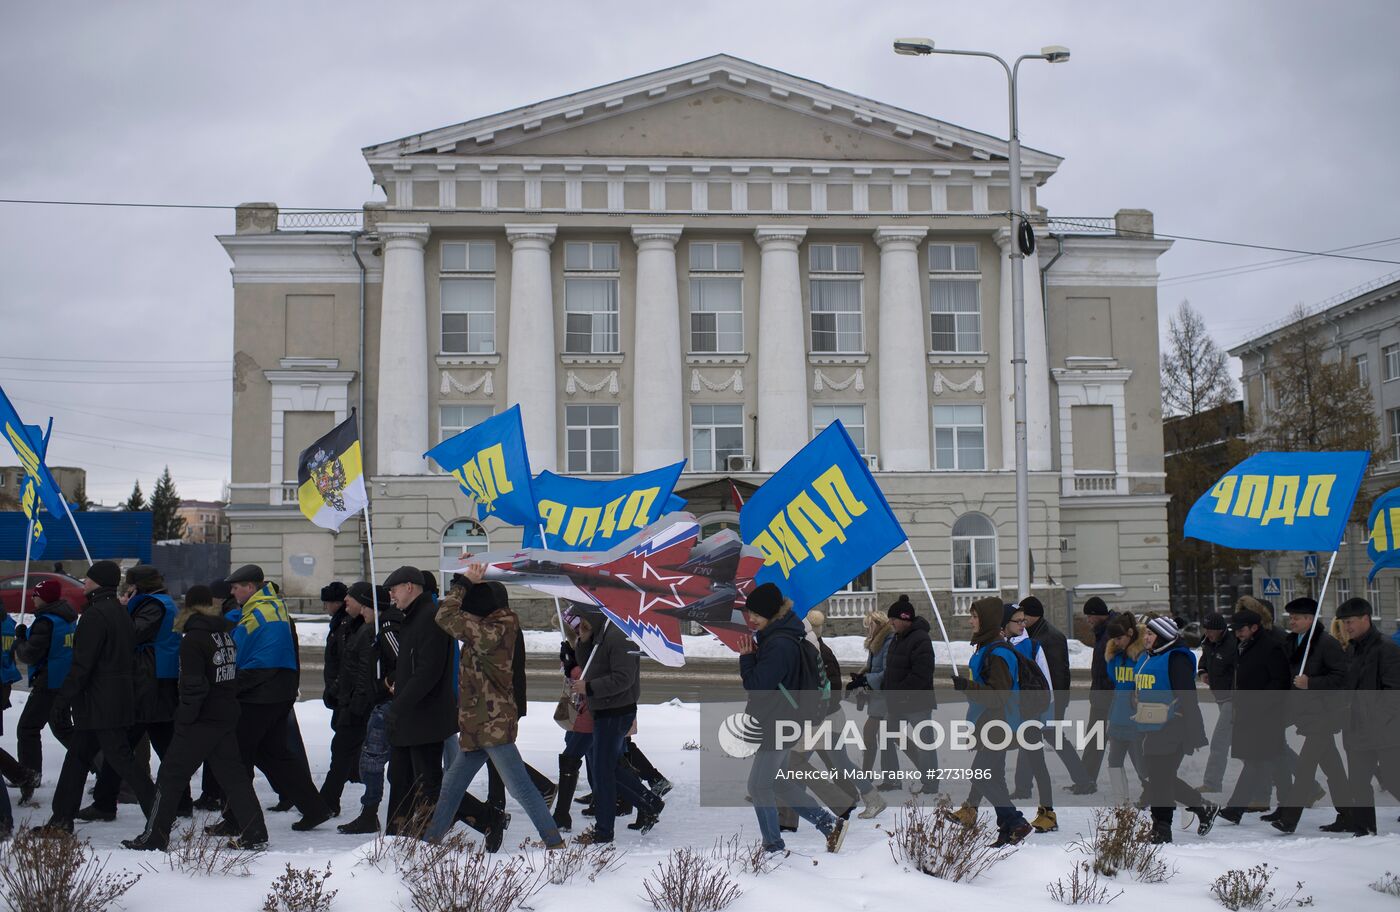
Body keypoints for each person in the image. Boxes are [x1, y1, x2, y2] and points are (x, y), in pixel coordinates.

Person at [424, 565, 564, 849]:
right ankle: (430, 843)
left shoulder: (496, 629)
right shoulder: (488, 625)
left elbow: (445, 615)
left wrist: (463, 584)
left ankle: (554, 842)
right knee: (451, 787)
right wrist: (465, 573)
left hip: (493, 723)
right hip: (478, 725)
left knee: (520, 787)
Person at [122, 586, 268, 851]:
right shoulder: (223, 634)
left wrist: (184, 717)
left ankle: (155, 836)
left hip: (200, 719)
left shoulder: (192, 640)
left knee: (169, 776)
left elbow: (192, 686)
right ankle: (255, 832)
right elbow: (229, 677)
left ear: (188, 608)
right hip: (225, 714)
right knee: (234, 777)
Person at [209, 564, 329, 836]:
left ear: (250, 587)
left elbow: (258, 656)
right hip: (275, 693)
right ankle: (314, 808)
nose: (232, 591)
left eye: (236, 587)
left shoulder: (261, 611)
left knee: (238, 758)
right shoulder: (269, 607)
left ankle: (236, 819)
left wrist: (232, 686)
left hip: (259, 695)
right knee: (275, 754)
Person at [38, 561, 157, 834]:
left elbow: (83, 665)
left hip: (99, 705)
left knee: (125, 764)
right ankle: (61, 820)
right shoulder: (118, 611)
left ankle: (160, 815)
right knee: (77, 760)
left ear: (98, 582)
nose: (84, 581)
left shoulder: (95, 615)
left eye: (88, 578)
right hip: (109, 702)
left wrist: (62, 699)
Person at [738, 582, 849, 855]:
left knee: (759, 785)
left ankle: (773, 845)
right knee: (778, 782)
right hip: (786, 720)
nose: (750, 618)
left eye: (754, 614)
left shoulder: (778, 643)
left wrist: (746, 658)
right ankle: (829, 824)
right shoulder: (781, 634)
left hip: (778, 723)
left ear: (768, 613)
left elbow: (758, 684)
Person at [85, 565, 184, 822]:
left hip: (149, 681)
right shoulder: (162, 601)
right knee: (163, 746)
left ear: (137, 585)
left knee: (122, 745)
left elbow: (132, 634)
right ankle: (181, 802)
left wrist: (120, 610)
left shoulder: (153, 605)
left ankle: (106, 803)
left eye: (129, 584)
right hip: (158, 679)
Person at [571, 604, 666, 845]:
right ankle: (649, 803)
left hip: (617, 711)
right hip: (603, 710)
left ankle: (604, 832)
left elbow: (624, 679)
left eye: (583, 620)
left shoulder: (619, 636)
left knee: (603, 772)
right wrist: (583, 640)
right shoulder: (599, 635)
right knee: (608, 767)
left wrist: (590, 688)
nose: (579, 624)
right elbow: (587, 667)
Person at [950, 596, 1032, 847]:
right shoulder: (987, 647)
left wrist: (967, 686)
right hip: (989, 722)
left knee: (981, 774)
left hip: (999, 723)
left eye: (975, 616)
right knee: (993, 775)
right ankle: (1007, 830)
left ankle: (1016, 821)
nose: (971, 621)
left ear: (986, 620)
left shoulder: (998, 652)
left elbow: (998, 696)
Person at [382, 566, 457, 835]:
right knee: (400, 780)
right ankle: (395, 839)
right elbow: (412, 665)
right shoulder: (412, 616)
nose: (391, 595)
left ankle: (426, 840)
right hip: (408, 718)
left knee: (427, 785)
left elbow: (428, 671)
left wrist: (398, 705)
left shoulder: (429, 617)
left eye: (394, 589)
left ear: (410, 587)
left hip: (426, 718)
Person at [1132, 615, 1215, 843]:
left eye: (1150, 634)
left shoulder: (1176, 658)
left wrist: (1193, 731)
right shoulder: (1148, 657)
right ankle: (1202, 807)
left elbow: (1187, 698)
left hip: (1173, 726)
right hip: (1150, 724)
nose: (1146, 638)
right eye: (1146, 633)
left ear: (1163, 637)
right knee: (1160, 777)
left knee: (1159, 779)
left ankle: (1162, 829)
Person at [1271, 598, 1347, 834]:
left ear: (1310, 619)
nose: (1291, 621)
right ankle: (1350, 813)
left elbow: (1341, 678)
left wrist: (1310, 683)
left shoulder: (1326, 643)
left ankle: (1289, 818)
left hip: (1324, 715)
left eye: (1296, 617)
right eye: (1290, 617)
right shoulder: (1292, 642)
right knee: (1333, 769)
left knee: (1304, 768)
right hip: (1306, 715)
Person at [1333, 597, 1400, 837]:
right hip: (1356, 730)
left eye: (1350, 622)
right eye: (1343, 623)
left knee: (1393, 780)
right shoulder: (1352, 649)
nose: (1347, 627)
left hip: (1386, 732)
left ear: (1365, 619)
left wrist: (1378, 720)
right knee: (1358, 784)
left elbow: (1394, 692)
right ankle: (1364, 832)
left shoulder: (1387, 648)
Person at [1219, 606, 1292, 824]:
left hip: (1267, 715)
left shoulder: (1270, 647)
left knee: (1256, 761)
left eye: (1241, 629)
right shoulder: (1244, 646)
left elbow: (1280, 681)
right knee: (1274, 761)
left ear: (1254, 627)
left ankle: (1235, 808)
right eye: (1235, 630)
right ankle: (1288, 807)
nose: (1237, 633)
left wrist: (1260, 702)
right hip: (1250, 713)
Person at [337, 583, 400, 835]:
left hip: (386, 704)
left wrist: (385, 684)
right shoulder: (374, 628)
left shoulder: (385, 629)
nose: (361, 611)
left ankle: (370, 813)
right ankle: (371, 813)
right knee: (374, 762)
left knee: (372, 761)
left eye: (365, 606)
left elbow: (403, 661)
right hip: (378, 701)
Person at [1019, 596, 1094, 796]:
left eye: (1023, 615)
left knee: (1039, 737)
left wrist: (1058, 704)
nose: (1021, 619)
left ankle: (1024, 787)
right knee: (1034, 737)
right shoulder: (1036, 633)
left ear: (1032, 615)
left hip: (1049, 700)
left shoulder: (1048, 637)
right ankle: (1024, 786)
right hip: (1044, 699)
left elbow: (1059, 673)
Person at [12, 578, 77, 803]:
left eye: (35, 594)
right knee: (62, 728)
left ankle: (29, 775)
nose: (32, 598)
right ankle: (99, 764)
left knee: (28, 728)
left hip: (49, 681)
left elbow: (29, 654)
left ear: (44, 597)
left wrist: (19, 639)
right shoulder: (67, 617)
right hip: (63, 678)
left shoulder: (45, 622)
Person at [878, 595, 939, 796]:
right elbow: (892, 671)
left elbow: (922, 673)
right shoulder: (898, 638)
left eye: (893, 619)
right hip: (897, 702)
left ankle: (931, 784)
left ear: (905, 618)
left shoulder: (921, 639)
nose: (891, 623)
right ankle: (891, 780)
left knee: (925, 744)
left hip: (917, 703)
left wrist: (902, 694)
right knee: (886, 735)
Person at [1004, 605, 1057, 833]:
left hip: (1028, 717)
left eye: (1024, 621)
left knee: (1038, 764)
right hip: (1003, 717)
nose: (1023, 625)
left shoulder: (1033, 646)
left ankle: (1048, 812)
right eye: (1018, 621)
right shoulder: (996, 645)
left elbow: (1046, 682)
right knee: (989, 763)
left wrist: (1045, 716)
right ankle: (971, 808)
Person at [319, 582, 367, 815]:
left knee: (342, 747)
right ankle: (350, 778)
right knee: (345, 745)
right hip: (346, 696)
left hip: (351, 698)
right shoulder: (345, 624)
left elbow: (351, 665)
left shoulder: (351, 626)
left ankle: (328, 802)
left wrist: (338, 689)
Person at [849, 611, 900, 789]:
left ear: (878, 624)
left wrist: (866, 679)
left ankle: (879, 777)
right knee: (886, 737)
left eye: (869, 626)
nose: (867, 630)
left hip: (886, 697)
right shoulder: (876, 642)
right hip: (878, 697)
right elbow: (873, 667)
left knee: (877, 734)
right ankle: (872, 775)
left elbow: (887, 672)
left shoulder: (887, 642)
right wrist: (862, 675)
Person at [1102, 612, 1145, 806]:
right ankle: (1121, 801)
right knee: (1114, 761)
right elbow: (1114, 680)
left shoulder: (1142, 657)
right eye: (1114, 640)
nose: (1117, 642)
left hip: (1137, 720)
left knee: (1142, 765)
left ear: (1130, 633)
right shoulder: (1116, 658)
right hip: (1118, 716)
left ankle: (1154, 795)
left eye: (1119, 638)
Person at [1196, 612, 1237, 793]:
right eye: (1206, 629)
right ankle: (1269, 775)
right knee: (1245, 744)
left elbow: (1239, 671)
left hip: (1232, 699)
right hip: (1220, 698)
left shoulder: (1231, 645)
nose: (1208, 633)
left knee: (1219, 742)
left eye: (1211, 630)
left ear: (1221, 629)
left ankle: (1211, 783)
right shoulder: (1208, 642)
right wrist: (1203, 672)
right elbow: (1204, 660)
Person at [1078, 596, 1115, 783]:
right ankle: (1086, 778)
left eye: (1089, 617)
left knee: (1101, 738)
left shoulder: (1111, 632)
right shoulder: (1103, 631)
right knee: (1096, 737)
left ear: (1097, 615)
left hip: (1109, 694)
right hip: (1102, 693)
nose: (1088, 621)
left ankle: (1087, 779)